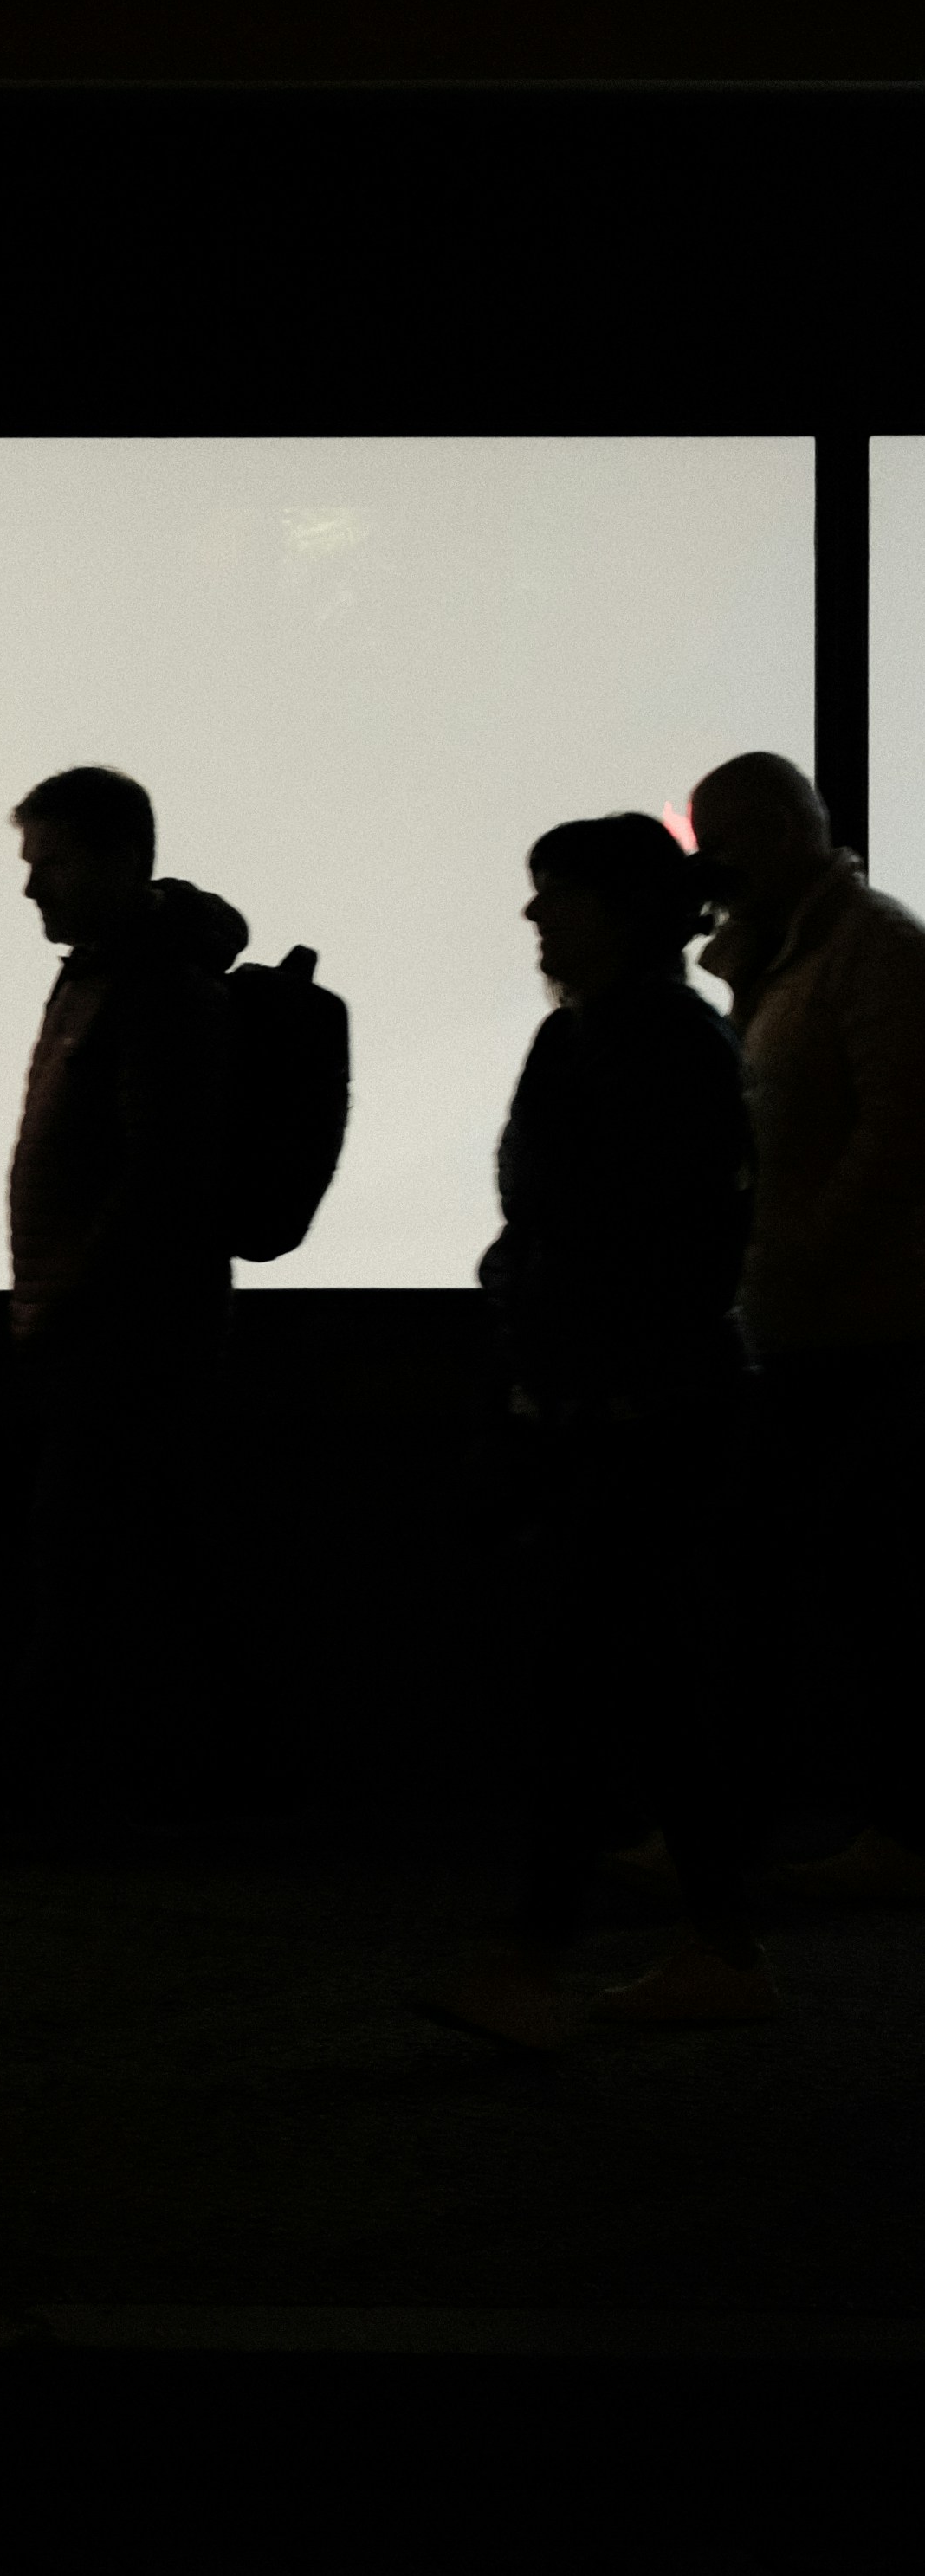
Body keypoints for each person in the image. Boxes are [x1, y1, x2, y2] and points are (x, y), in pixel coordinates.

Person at [420, 815, 773, 2047]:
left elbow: (606, 1241)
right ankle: (706, 1945)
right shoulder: (660, 1039)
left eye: (555, 892)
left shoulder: (619, 1044)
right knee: (642, 1688)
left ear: (614, 909)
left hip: (620, 1416)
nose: (534, 915)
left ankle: (545, 1955)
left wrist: (552, 1372)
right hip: (638, 1411)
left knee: (592, 1687)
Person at [0, 763, 268, 1852]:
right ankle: (213, 1779)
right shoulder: (130, 978)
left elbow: (159, 1178)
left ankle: (21, 1796)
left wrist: (72, 1303)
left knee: (80, 1568)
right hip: (122, 1328)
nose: (34, 888)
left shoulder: (148, 992)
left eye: (54, 864)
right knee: (147, 1561)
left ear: (122, 862)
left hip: (117, 1334)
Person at [688, 751, 925, 1905]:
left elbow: (901, 1130)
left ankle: (883, 1824)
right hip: (811, 1324)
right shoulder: (814, 954)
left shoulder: (872, 951)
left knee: (855, 1584)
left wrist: (801, 1252)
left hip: (860, 1330)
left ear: (782, 831)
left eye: (723, 845)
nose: (710, 872)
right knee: (842, 1581)